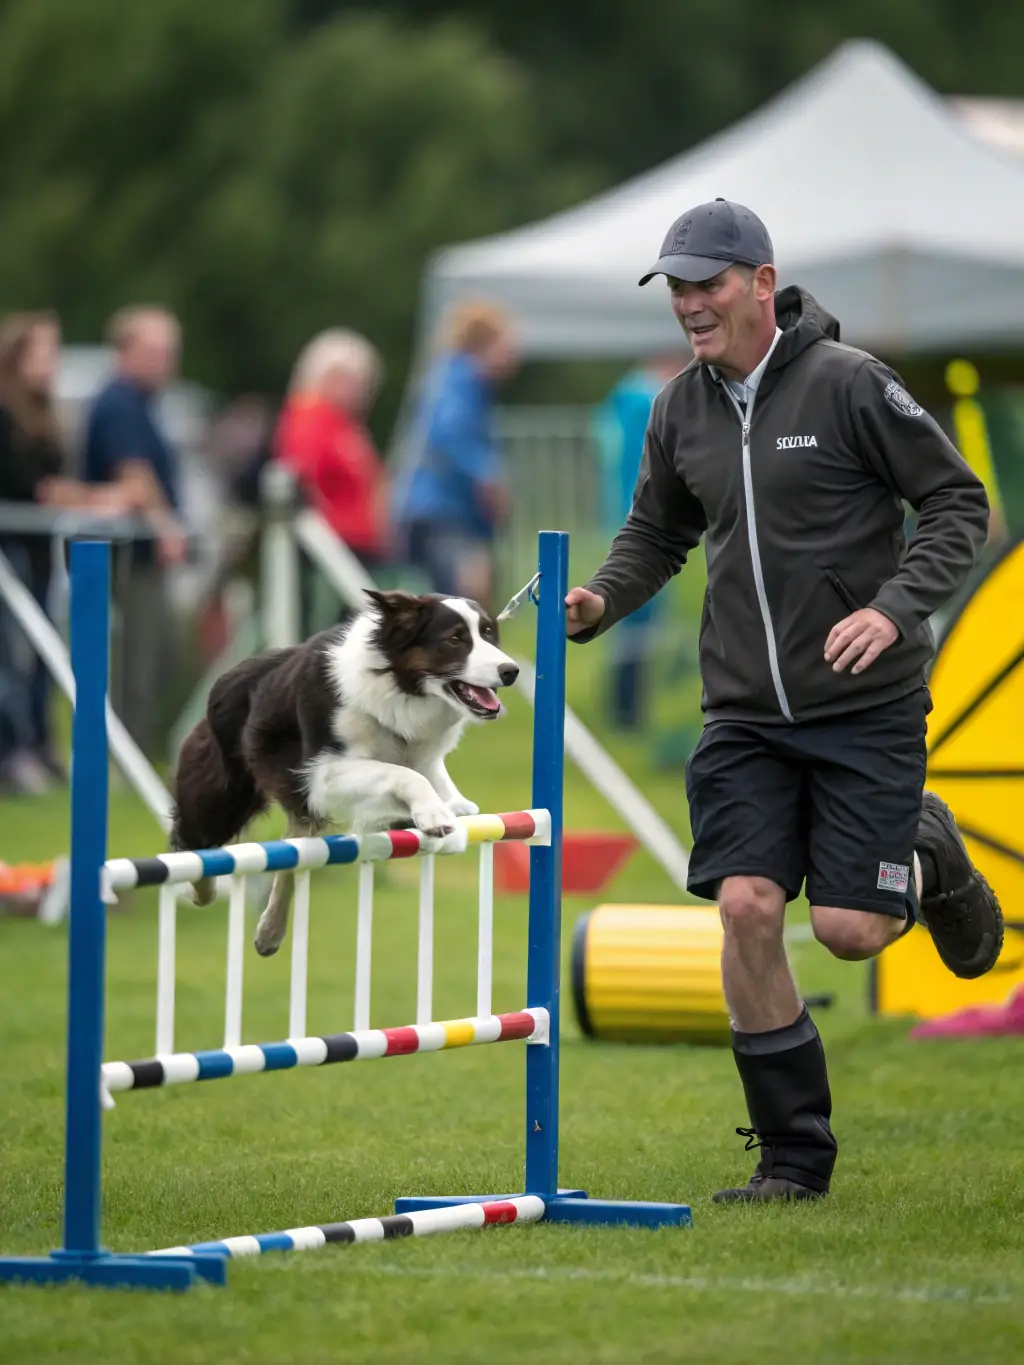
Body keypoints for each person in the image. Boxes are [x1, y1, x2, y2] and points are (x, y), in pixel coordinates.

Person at [564, 199, 1003, 1204]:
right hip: (744, 717)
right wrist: (599, 598)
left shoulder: (852, 385)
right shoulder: (678, 409)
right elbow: (655, 537)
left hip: (865, 706)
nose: (687, 304)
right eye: (674, 287)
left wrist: (895, 610)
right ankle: (791, 1158)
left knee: (849, 930)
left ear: (761, 284)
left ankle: (923, 850)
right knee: (747, 907)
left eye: (705, 284)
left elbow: (956, 502)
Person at [0, 312, 134, 792]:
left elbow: (53, 483)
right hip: (9, 551)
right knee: (10, 658)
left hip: (38, 551)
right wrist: (97, 499)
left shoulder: (46, 413)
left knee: (41, 655)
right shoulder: (5, 411)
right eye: (42, 351)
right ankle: (12, 753)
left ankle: (39, 746)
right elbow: (34, 487)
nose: (51, 362)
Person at [81, 306, 189, 756]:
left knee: (152, 659)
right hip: (129, 555)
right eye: (155, 351)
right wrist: (166, 526)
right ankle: (127, 756)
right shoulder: (120, 402)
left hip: (139, 553)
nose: (165, 361)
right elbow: (133, 473)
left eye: (170, 352)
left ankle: (134, 752)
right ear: (125, 351)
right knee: (138, 663)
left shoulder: (141, 403)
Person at [393, 301, 516, 610]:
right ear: (485, 344)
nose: (513, 355)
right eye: (506, 345)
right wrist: (487, 476)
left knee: (455, 594)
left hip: (438, 511)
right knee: (467, 592)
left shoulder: (453, 378)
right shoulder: (459, 380)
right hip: (443, 512)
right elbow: (448, 435)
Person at [595, 352, 687, 728]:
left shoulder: (620, 402)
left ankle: (626, 707)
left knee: (630, 617)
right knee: (639, 617)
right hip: (643, 517)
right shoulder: (647, 402)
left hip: (626, 511)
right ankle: (628, 711)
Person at [274, 329, 388, 575]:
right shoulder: (309, 418)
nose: (352, 389)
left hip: (360, 547)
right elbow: (303, 480)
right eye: (342, 378)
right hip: (330, 549)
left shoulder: (347, 425)